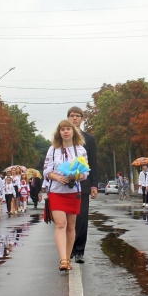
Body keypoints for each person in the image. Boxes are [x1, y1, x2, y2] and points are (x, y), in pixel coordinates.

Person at [43, 119, 88, 271]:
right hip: (56, 191)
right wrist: (57, 177)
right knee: (60, 224)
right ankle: (63, 259)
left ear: (73, 132)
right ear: (59, 133)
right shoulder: (53, 149)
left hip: (73, 192)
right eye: (63, 129)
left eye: (68, 129)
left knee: (71, 226)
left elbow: (85, 172)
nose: (66, 131)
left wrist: (77, 176)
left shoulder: (80, 150)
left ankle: (68, 258)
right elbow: (47, 171)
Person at [66, 107, 98, 264]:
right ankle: (68, 249)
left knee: (81, 218)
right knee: (66, 218)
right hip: (64, 184)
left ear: (82, 119)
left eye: (77, 116)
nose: (74, 118)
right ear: (68, 118)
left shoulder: (89, 139)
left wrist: (94, 185)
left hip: (83, 184)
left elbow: (93, 163)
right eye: (71, 116)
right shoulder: (63, 137)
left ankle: (79, 250)